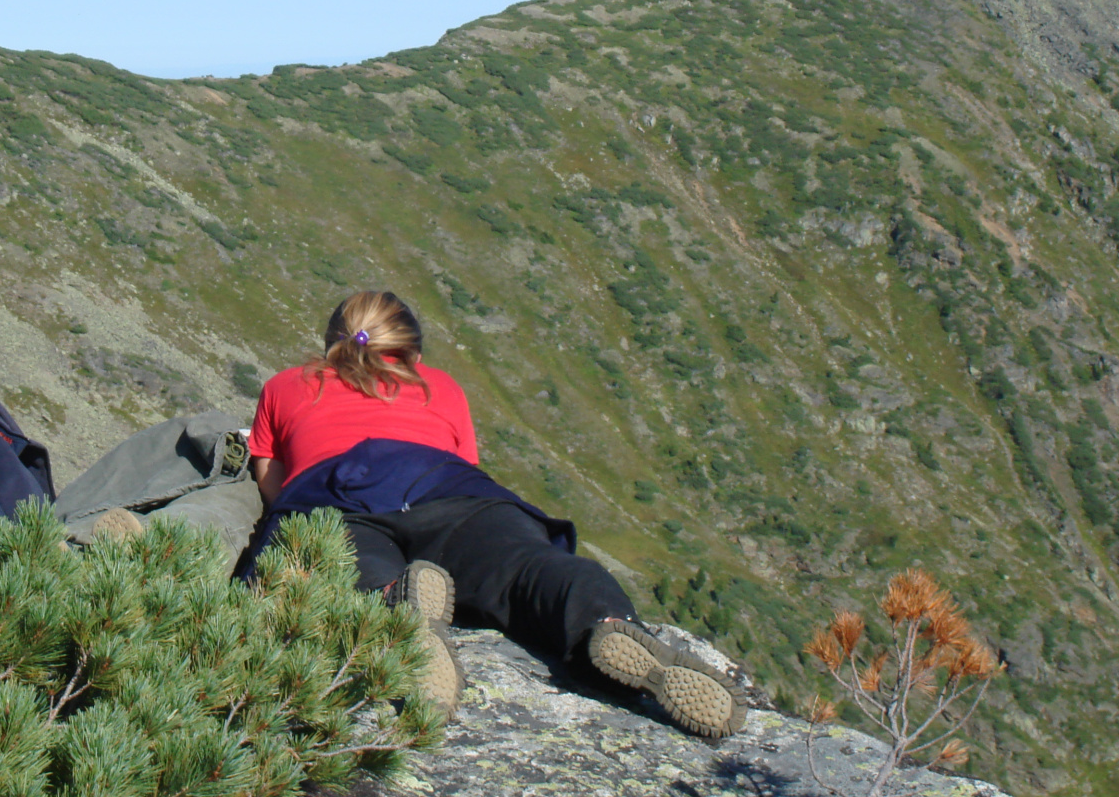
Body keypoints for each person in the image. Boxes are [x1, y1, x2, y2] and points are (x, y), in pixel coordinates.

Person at [246, 290, 747, 737]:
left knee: (353, 567)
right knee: (526, 566)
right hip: (448, 487)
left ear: (333, 342)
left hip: (337, 491)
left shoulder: (288, 385)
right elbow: (465, 464)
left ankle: (397, 604)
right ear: (413, 352)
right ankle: (603, 619)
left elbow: (272, 482)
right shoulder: (439, 386)